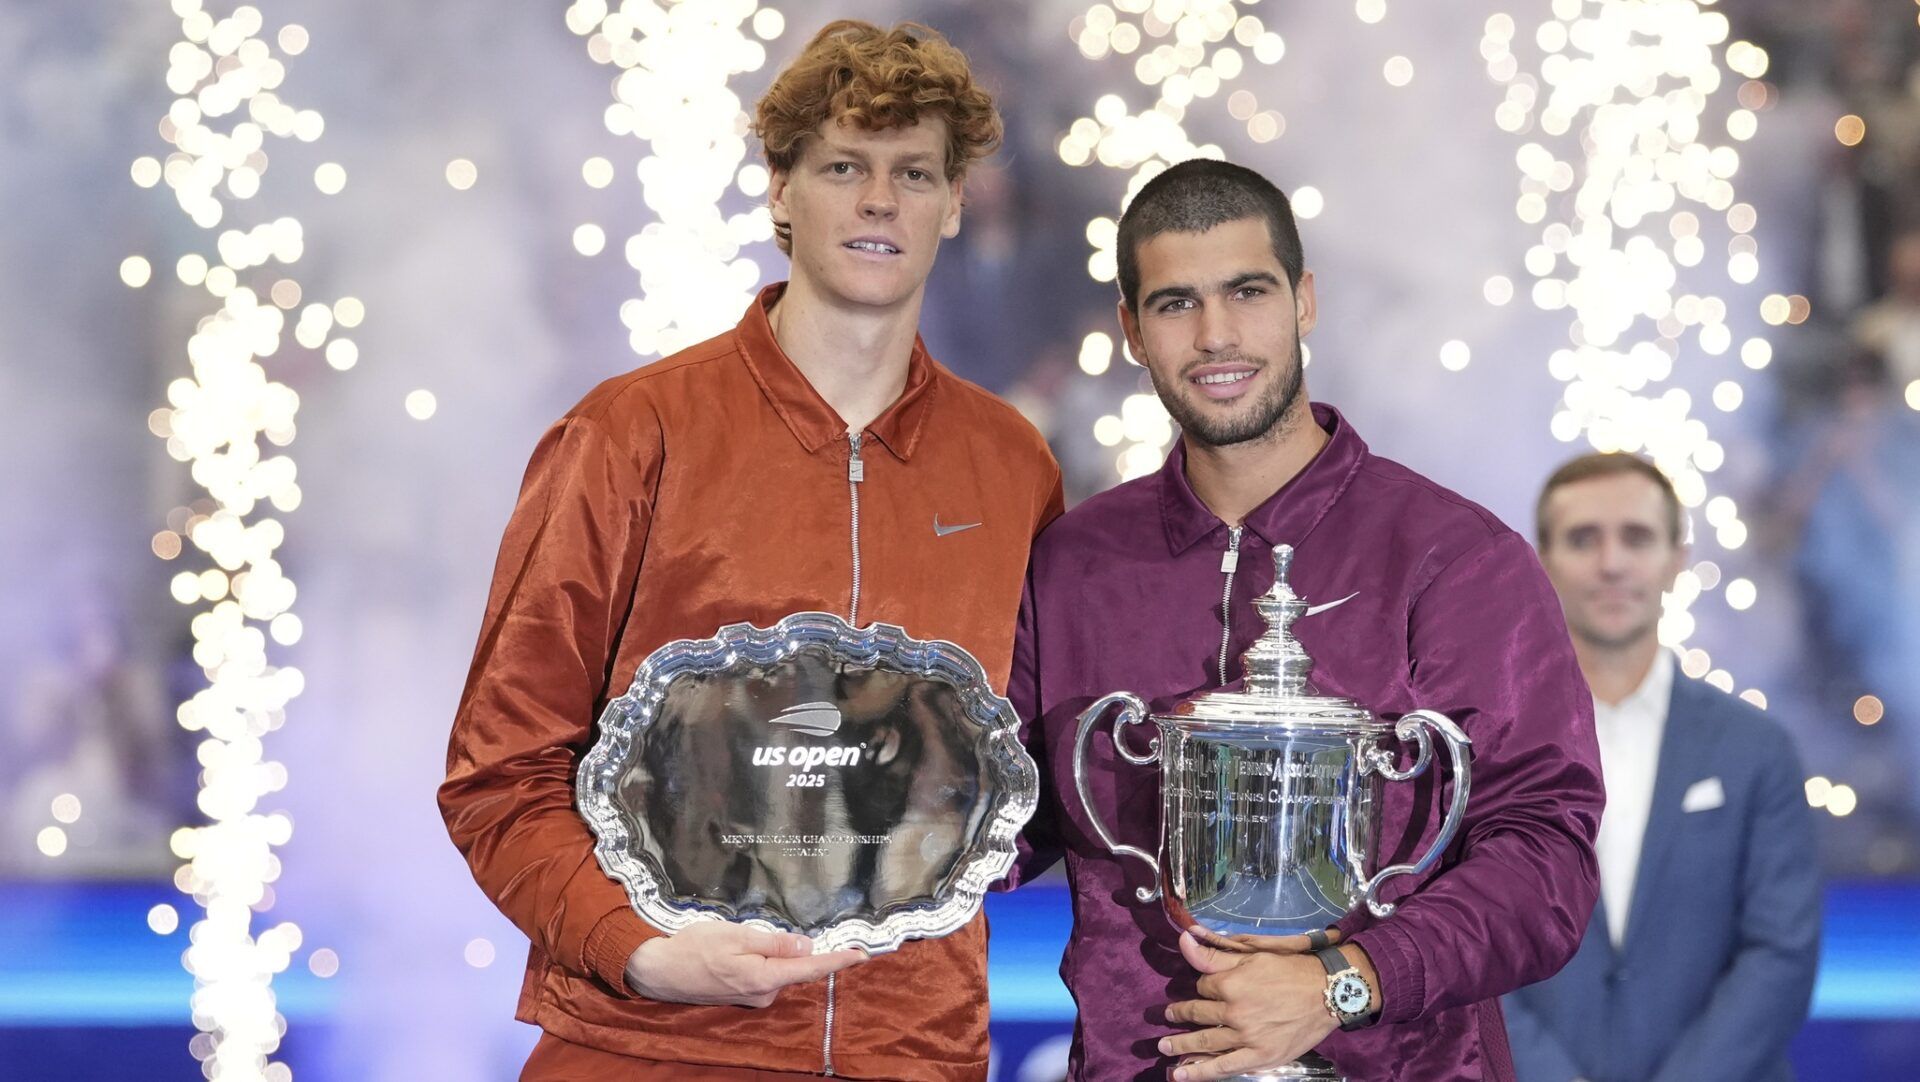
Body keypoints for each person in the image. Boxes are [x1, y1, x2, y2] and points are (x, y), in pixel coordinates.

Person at [438, 20, 1063, 1081]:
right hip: (648, 1046)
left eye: (915, 172)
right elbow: (498, 772)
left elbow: (1015, 772)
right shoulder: (632, 433)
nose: (880, 201)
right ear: (780, 189)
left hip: (909, 1050)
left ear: (955, 202)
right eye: (843, 168)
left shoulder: (1009, 463)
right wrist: (639, 945)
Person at [1006, 158, 1603, 1081]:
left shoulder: (1453, 557)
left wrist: (1346, 983)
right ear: (1131, 330)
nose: (1216, 336)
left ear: (1304, 301)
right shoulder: (1074, 563)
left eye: (1248, 291)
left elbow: (1546, 861)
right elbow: (998, 817)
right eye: (1175, 304)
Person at [1502, 452, 1821, 1082]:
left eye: (1638, 537)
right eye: (1583, 538)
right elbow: (1460, 946)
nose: (1612, 562)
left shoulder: (1757, 750)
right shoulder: (1488, 747)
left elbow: (1781, 952)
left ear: (1677, 558)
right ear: (1542, 560)